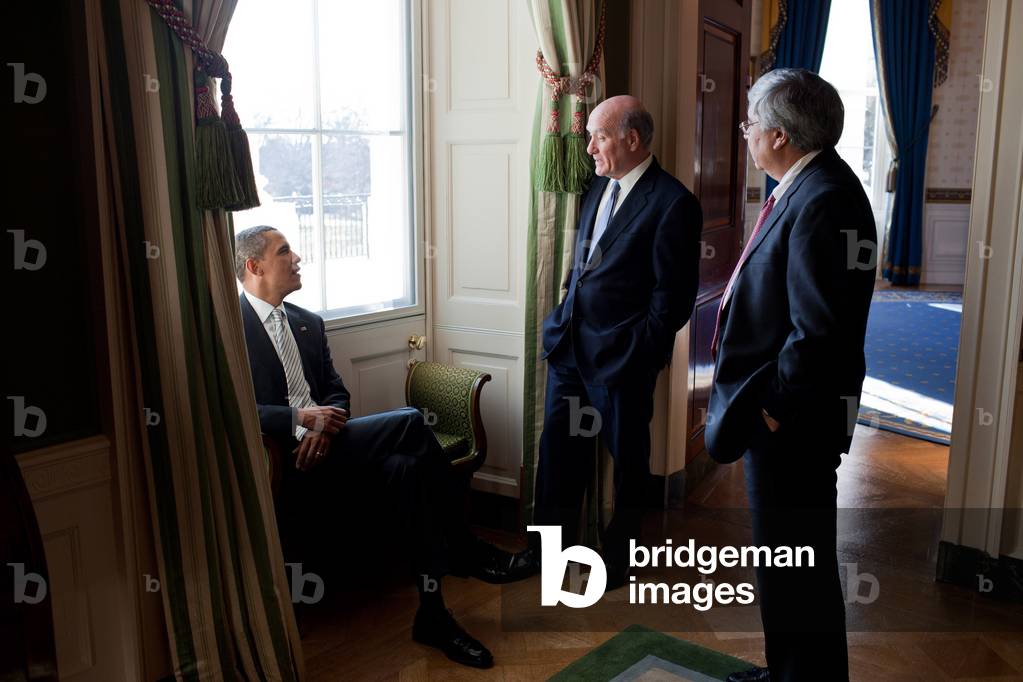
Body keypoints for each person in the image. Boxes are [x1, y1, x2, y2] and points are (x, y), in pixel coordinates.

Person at [235, 225, 520, 669]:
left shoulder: (307, 323)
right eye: (284, 251)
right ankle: (462, 545)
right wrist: (299, 419)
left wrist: (323, 427)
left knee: (407, 467)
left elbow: (336, 393)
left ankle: (433, 615)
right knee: (409, 423)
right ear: (254, 266)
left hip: (329, 446)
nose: (297, 258)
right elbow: (232, 408)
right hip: (284, 462)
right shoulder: (228, 333)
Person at [706, 68, 877, 682]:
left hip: (793, 422)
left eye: (751, 122)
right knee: (787, 564)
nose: (745, 131)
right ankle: (791, 673)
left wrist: (772, 410)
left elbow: (819, 332)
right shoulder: (809, 186)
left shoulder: (825, 198)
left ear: (778, 135)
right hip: (788, 418)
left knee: (793, 564)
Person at [514, 95, 703, 588]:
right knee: (557, 455)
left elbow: (673, 301)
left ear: (631, 140)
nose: (589, 145)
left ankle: (619, 556)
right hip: (570, 352)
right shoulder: (601, 188)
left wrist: (638, 354)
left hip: (623, 362)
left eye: (598, 135)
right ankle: (543, 553)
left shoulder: (673, 203)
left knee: (629, 464)